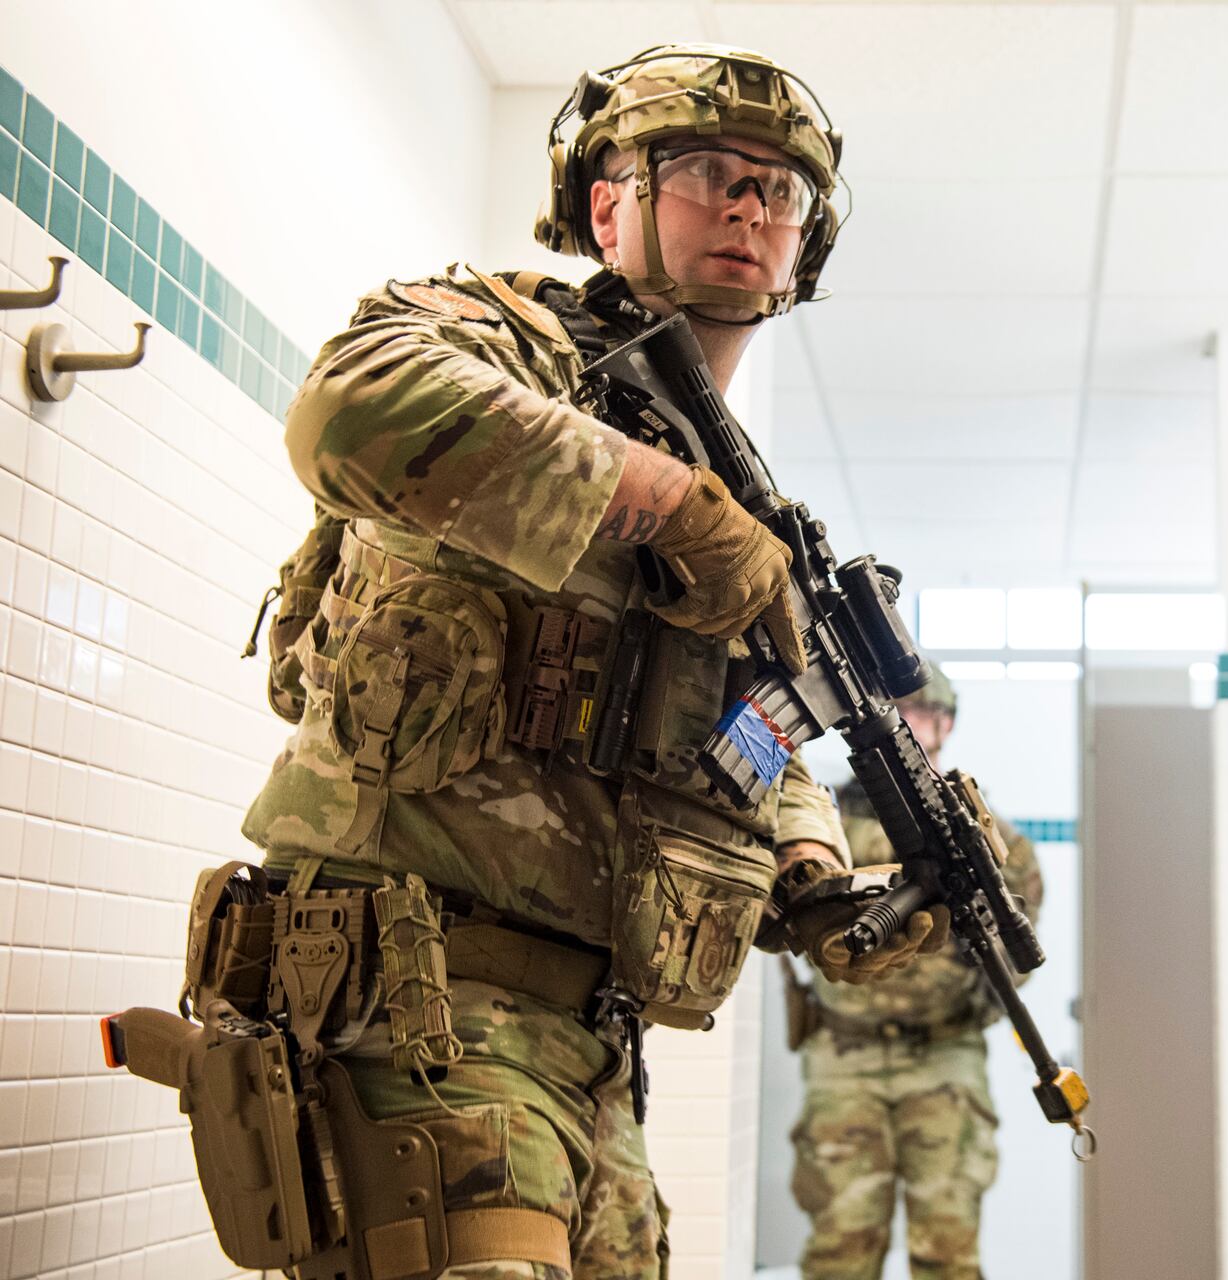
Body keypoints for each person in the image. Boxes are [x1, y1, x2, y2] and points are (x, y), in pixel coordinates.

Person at [224, 44, 944, 1280]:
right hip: (412, 1001)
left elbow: (741, 734)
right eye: (710, 171)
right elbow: (349, 411)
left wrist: (813, 866)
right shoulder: (492, 332)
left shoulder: (754, 509)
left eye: (781, 192)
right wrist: (665, 503)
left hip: (593, 1049)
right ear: (606, 203)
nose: (749, 207)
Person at [787, 665, 1043, 1280]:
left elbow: (1021, 949)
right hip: (844, 1056)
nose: (911, 721)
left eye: (924, 712)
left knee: (947, 1250)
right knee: (841, 1250)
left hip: (944, 1056)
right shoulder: (825, 823)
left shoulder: (984, 837)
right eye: (899, 707)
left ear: (945, 725)